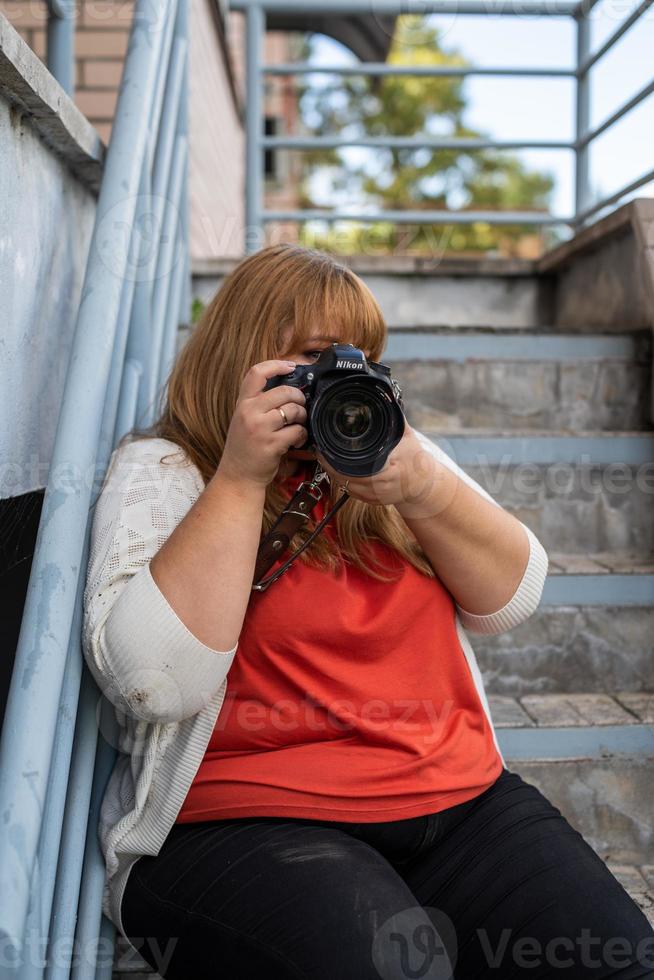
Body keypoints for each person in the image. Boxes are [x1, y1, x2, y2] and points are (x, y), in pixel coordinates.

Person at [82, 244, 654, 980]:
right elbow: (152, 681)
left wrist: (423, 487)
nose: (344, 383)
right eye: (317, 361)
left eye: (363, 359)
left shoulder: (391, 458)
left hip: (461, 805)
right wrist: (240, 477)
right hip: (244, 821)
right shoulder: (171, 471)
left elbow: (513, 597)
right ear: (245, 358)